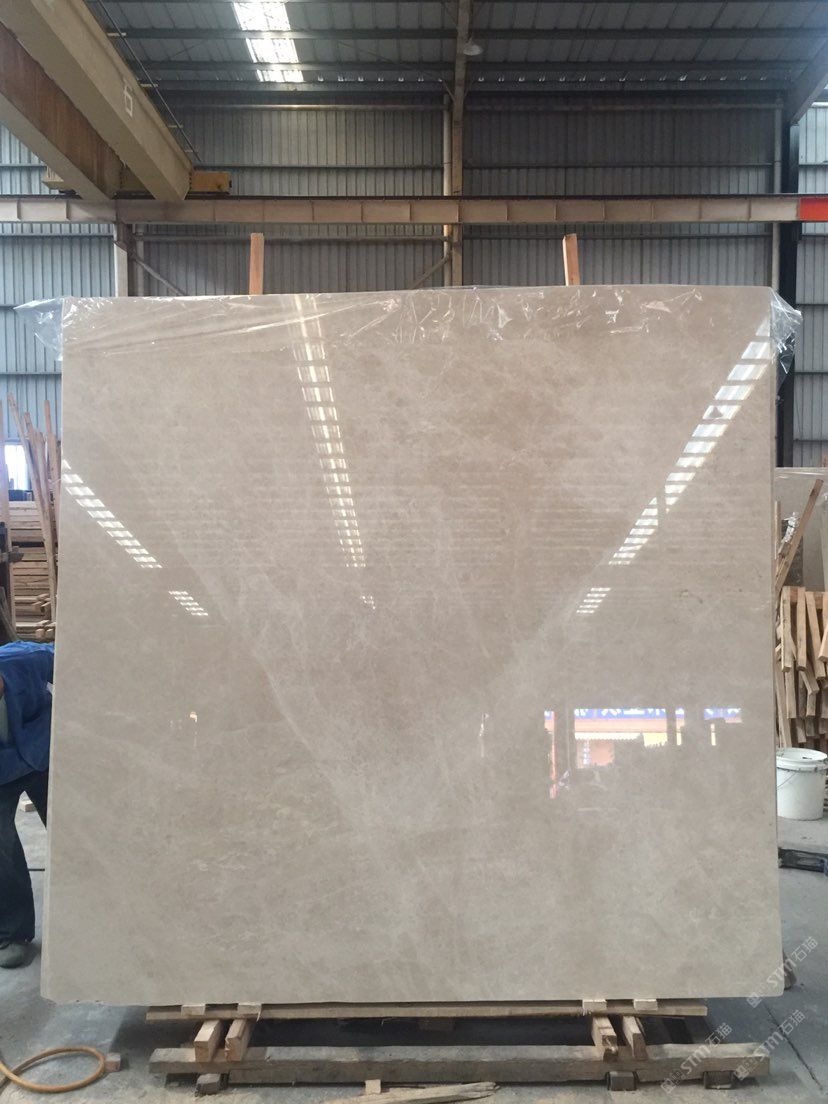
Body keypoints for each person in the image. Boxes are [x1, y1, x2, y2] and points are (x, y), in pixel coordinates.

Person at [0, 641, 54, 968]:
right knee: (1, 847)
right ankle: (14, 932)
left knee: (77, 831)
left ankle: (99, 913)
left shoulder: (28, 659)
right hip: (2, 771)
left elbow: (81, 671)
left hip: (43, 754)